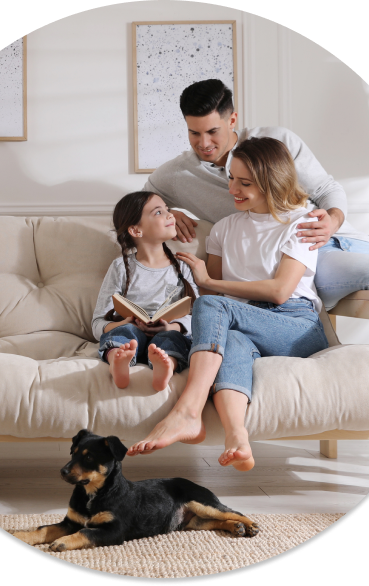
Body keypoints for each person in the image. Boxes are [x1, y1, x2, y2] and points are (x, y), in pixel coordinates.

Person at [140, 78, 369, 418]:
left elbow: (329, 189)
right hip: (305, 252)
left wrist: (331, 221)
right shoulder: (178, 175)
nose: (204, 143)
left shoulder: (276, 141)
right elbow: (140, 203)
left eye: (212, 131)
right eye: (193, 133)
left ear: (232, 120)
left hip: (336, 238)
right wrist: (172, 212)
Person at [127, 137, 329, 470]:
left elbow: (280, 291)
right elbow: (214, 305)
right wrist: (175, 318)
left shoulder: (302, 223)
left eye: (245, 182)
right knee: (229, 340)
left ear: (271, 181)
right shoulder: (223, 229)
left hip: (295, 325)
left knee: (215, 308)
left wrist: (207, 282)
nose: (233, 188)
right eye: (231, 178)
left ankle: (188, 411)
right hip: (244, 324)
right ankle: (237, 437)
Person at [92, 191, 198, 392]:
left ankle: (166, 367)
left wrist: (172, 328)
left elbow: (199, 318)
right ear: (136, 230)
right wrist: (123, 323)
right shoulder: (120, 267)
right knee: (124, 332)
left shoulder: (182, 266)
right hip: (131, 334)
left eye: (167, 209)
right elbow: (97, 323)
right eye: (159, 212)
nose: (170, 215)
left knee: (173, 340)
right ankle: (118, 361)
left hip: (167, 333)